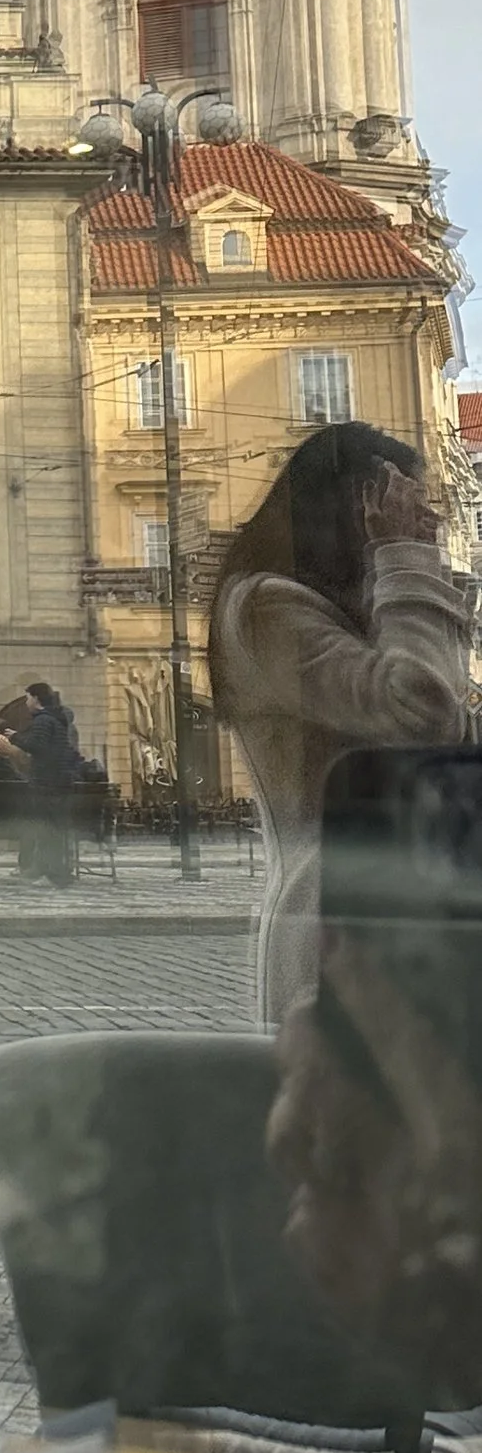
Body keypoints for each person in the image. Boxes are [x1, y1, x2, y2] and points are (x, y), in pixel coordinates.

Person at [209, 421, 473, 1025]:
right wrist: (405, 561)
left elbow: (450, 723)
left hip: (395, 909)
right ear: (358, 509)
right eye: (409, 503)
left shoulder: (364, 609)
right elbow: (424, 716)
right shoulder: (266, 606)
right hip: (341, 918)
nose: (429, 521)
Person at [18, 680, 80, 887]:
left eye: (27, 696)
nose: (26, 701)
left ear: (36, 698)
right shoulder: (56, 719)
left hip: (47, 782)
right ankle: (53, 871)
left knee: (48, 829)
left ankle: (54, 873)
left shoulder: (44, 720)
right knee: (52, 829)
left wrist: (15, 738)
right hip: (57, 781)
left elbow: (38, 747)